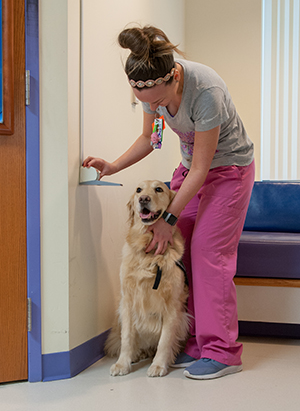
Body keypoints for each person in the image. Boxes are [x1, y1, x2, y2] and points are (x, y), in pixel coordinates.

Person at [83, 25, 255, 380]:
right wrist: (113, 165)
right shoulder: (150, 89)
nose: (154, 107)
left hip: (228, 172)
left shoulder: (206, 91)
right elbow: (151, 138)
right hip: (190, 169)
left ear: (174, 76)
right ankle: (191, 342)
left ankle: (223, 351)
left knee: (208, 253)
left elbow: (204, 168)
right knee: (176, 252)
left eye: (159, 102)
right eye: (147, 102)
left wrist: (169, 218)